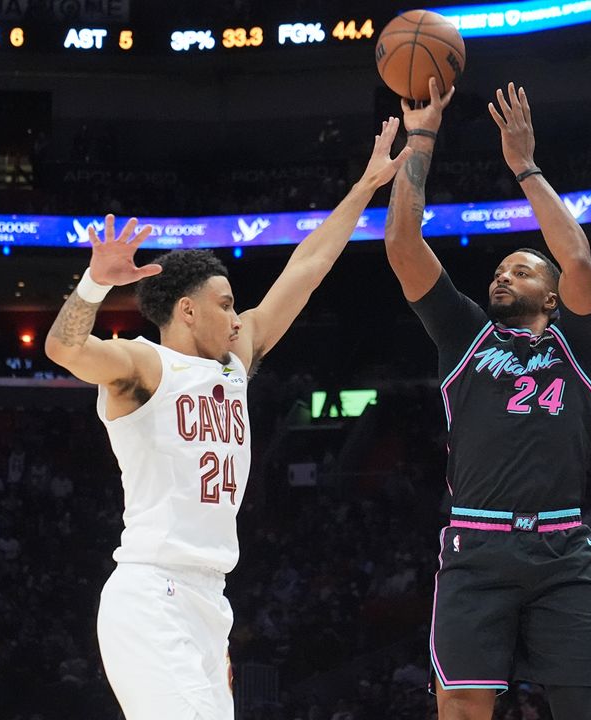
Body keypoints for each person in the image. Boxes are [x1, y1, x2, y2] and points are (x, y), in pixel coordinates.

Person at [44, 119, 410, 719]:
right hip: (152, 593)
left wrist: (366, 185)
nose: (239, 318)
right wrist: (91, 285)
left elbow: (309, 264)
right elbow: (64, 350)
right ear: (185, 310)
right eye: (226, 304)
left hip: (209, 601)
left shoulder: (233, 364)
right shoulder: (145, 365)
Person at [384, 78, 591, 720]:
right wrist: (422, 137)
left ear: (552, 296)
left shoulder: (579, 343)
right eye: (499, 269)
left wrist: (525, 166)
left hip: (564, 549)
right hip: (476, 549)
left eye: (522, 269)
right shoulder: (463, 334)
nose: (501, 275)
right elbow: (402, 244)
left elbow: (581, 263)